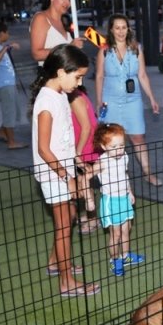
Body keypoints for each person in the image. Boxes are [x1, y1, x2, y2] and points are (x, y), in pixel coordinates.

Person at [30, 44, 100, 297]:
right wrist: (67, 177)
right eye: (77, 77)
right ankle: (66, 281)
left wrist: (75, 159)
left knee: (68, 217)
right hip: (53, 174)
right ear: (61, 72)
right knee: (63, 226)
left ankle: (57, 263)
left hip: (62, 169)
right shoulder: (46, 101)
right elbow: (44, 149)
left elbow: (63, 138)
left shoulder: (59, 94)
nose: (80, 83)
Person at [95, 14, 162, 186]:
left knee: (138, 137)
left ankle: (148, 173)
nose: (121, 31)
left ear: (128, 29)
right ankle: (116, 176)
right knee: (112, 140)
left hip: (133, 101)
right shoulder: (104, 50)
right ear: (111, 30)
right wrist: (99, 101)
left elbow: (142, 75)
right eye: (117, 28)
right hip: (110, 101)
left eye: (124, 27)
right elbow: (99, 76)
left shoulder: (136, 48)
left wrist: (152, 98)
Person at [92, 123, 144, 277]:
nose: (119, 150)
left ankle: (126, 256)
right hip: (111, 201)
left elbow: (125, 175)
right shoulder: (102, 162)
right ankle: (115, 260)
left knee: (126, 229)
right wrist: (87, 197)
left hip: (124, 198)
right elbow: (86, 176)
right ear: (104, 146)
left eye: (121, 145)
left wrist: (130, 192)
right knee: (115, 234)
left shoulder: (124, 157)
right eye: (114, 147)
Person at [0, 21, 27, 149]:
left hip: (9, 84)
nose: (8, 34)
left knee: (13, 112)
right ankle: (11, 142)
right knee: (9, 113)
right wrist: (6, 48)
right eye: (7, 32)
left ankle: (1, 132)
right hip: (4, 85)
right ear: (1, 33)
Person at [68, 85, 100, 234]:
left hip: (86, 146)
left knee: (84, 183)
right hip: (85, 144)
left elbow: (86, 127)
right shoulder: (76, 95)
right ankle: (89, 215)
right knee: (85, 183)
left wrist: (78, 152)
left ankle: (93, 220)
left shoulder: (75, 98)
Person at [29, 0, 84, 66]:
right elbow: (37, 54)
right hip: (51, 73)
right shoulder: (41, 18)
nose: (67, 3)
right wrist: (69, 48)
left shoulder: (64, 20)